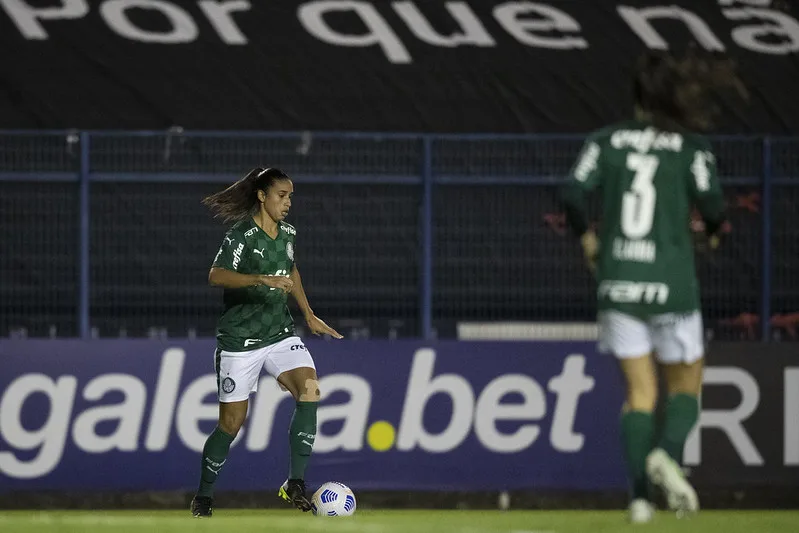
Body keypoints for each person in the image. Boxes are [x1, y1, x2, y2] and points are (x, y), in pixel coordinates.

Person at [561, 50, 745, 523]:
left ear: (638, 95)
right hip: (673, 285)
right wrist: (717, 231)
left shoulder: (606, 142)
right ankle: (667, 453)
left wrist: (587, 236)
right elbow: (715, 206)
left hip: (619, 280)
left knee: (639, 395)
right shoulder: (692, 148)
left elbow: (573, 192)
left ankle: (640, 500)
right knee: (686, 388)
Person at [190, 167, 343, 518]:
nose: (288, 203)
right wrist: (259, 278)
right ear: (262, 196)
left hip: (279, 334)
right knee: (230, 425)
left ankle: (295, 484)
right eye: (282, 195)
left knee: (310, 390)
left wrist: (308, 313)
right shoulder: (241, 235)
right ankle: (204, 496)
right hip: (239, 341)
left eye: (290, 196)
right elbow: (216, 275)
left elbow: (290, 271)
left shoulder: (288, 233)